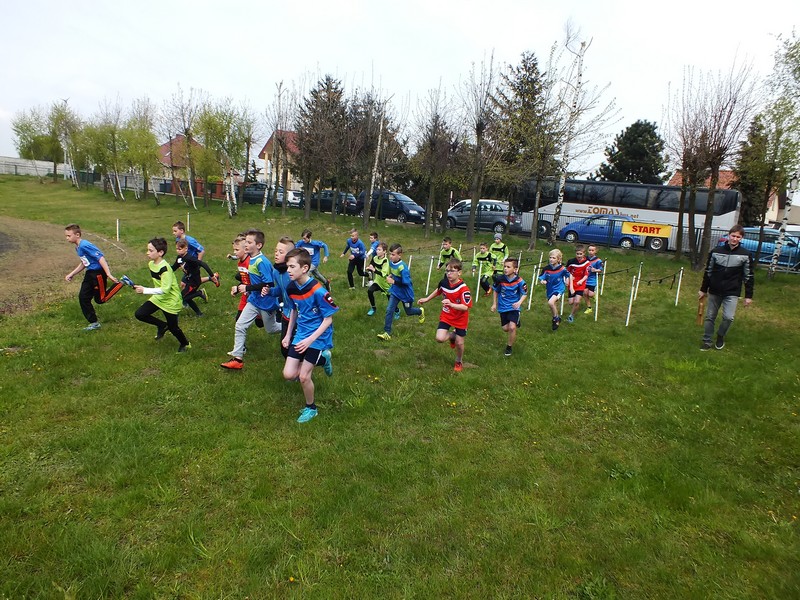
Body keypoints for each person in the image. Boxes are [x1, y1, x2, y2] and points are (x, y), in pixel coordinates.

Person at [281, 248, 339, 423]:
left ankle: (311, 408)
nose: (288, 270)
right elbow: (293, 311)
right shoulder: (291, 287)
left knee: (304, 376)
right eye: (287, 266)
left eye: (292, 266)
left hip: (318, 336)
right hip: (301, 333)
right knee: (289, 375)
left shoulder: (318, 291)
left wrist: (310, 340)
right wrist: (288, 334)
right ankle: (324, 359)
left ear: (304, 268)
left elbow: (328, 319)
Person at [220, 229, 280, 370]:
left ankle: (292, 327)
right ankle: (237, 359)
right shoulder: (251, 259)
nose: (246, 244)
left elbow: (269, 284)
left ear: (258, 245)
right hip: (253, 300)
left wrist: (247, 288)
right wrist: (242, 287)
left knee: (271, 329)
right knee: (240, 325)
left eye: (249, 242)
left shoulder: (261, 262)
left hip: (266, 302)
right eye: (245, 241)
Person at [699, 224, 754, 351]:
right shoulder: (716, 251)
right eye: (733, 236)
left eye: (738, 237)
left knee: (728, 317)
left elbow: (749, 276)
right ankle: (707, 341)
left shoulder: (745, 255)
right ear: (729, 235)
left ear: (741, 238)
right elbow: (708, 271)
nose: (735, 239)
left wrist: (748, 296)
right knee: (709, 317)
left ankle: (720, 336)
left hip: (732, 292)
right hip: (714, 290)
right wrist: (703, 289)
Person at [133, 237, 191, 352]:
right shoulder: (151, 264)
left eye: (150, 250)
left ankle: (185, 344)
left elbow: (165, 289)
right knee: (140, 314)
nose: (147, 253)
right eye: (148, 250)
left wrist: (145, 290)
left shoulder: (165, 268)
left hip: (171, 300)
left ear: (160, 253)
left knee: (174, 328)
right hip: (159, 297)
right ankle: (162, 325)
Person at [64, 223, 123, 331]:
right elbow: (84, 262)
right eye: (66, 236)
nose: (67, 238)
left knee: (101, 299)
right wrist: (71, 274)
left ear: (77, 235)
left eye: (69, 235)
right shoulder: (77, 247)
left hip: (98, 274)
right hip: (90, 274)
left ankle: (122, 282)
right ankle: (94, 323)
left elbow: (101, 258)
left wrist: (108, 274)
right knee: (83, 297)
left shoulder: (85, 245)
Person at [418, 258, 472, 372]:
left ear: (459, 273)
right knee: (439, 338)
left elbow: (465, 307)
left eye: (452, 271)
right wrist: (426, 299)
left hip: (460, 318)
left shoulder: (464, 289)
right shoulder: (444, 282)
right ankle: (452, 336)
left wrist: (451, 304)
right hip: (447, 316)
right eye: (447, 271)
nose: (449, 274)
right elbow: (438, 290)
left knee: (460, 343)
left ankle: (458, 360)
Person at [377, 243, 425, 340]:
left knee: (408, 311)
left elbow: (406, 283)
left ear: (400, 255)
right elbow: (393, 272)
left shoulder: (403, 267)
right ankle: (387, 333)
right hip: (395, 292)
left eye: (393, 254)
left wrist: (393, 281)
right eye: (390, 254)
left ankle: (420, 311)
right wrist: (391, 276)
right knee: (389, 310)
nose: (390, 256)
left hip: (406, 293)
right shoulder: (391, 263)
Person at [491, 257, 528, 356]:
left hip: (514, 307)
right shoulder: (500, 280)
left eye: (508, 267)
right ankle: (516, 322)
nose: (505, 269)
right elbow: (495, 290)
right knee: (505, 328)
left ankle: (509, 347)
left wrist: (519, 302)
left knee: (512, 328)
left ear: (515, 269)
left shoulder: (520, 281)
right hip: (503, 307)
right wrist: (494, 304)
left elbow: (524, 294)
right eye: (504, 267)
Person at [173, 239, 217, 317]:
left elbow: (203, 264)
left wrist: (212, 276)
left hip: (194, 282)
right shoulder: (179, 258)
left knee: (182, 297)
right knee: (187, 298)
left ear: (186, 248)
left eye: (180, 249)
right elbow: (174, 267)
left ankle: (199, 293)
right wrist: (164, 271)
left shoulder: (190, 258)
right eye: (177, 249)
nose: (178, 251)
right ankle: (199, 313)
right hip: (188, 280)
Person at [269, 236, 296, 359]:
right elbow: (280, 290)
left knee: (297, 349)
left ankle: (320, 359)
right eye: (276, 251)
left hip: (299, 316)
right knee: (284, 349)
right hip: (286, 314)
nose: (276, 254)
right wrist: (270, 291)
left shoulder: (294, 274)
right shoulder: (276, 271)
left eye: (281, 252)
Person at [538, 249, 570, 331]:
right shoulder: (546, 268)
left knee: (551, 302)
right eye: (550, 257)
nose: (551, 259)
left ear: (558, 259)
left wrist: (567, 280)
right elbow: (541, 276)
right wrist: (542, 280)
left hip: (559, 288)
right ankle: (555, 318)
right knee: (552, 305)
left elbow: (568, 275)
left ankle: (556, 318)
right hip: (550, 289)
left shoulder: (562, 269)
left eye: (554, 258)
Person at [365, 241, 397, 317]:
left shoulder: (385, 261)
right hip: (378, 281)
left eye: (379, 250)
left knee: (391, 301)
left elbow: (383, 274)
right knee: (370, 291)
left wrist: (374, 270)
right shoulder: (375, 258)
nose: (377, 251)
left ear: (384, 251)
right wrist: (369, 268)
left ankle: (397, 311)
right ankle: (373, 308)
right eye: (377, 249)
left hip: (386, 283)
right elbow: (371, 265)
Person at [565, 245, 591, 323]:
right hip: (572, 283)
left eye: (580, 254)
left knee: (577, 301)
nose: (579, 255)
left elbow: (586, 274)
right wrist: (567, 279)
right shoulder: (571, 262)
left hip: (581, 283)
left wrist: (581, 280)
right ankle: (574, 306)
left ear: (584, 253)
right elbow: (567, 272)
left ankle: (571, 316)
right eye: (577, 254)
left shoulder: (586, 262)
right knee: (571, 302)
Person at [584, 244, 603, 315]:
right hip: (585, 279)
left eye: (592, 250)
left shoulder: (598, 260)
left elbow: (601, 270)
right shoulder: (585, 259)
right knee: (585, 293)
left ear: (595, 251)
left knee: (590, 294)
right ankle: (589, 307)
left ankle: (594, 295)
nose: (591, 252)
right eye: (589, 250)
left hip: (592, 280)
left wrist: (595, 270)